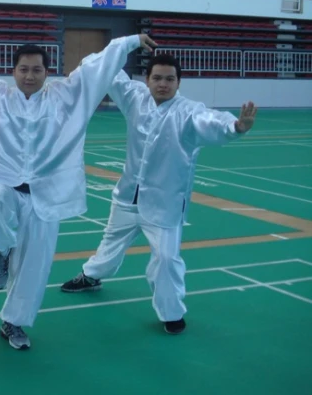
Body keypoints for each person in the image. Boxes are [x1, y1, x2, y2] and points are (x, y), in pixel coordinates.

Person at [0, 32, 157, 350]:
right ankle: (0, 251)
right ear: (13, 71)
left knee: (36, 265)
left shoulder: (66, 97)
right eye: (24, 69)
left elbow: (97, 70)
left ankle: (14, 323)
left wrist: (129, 41)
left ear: (47, 73)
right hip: (5, 185)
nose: (30, 76)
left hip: (45, 195)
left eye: (37, 70)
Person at [60, 54, 257, 334]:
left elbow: (212, 121)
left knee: (166, 259)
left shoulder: (189, 112)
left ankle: (172, 312)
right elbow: (112, 74)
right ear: (147, 80)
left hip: (165, 205)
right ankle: (91, 276)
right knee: (111, 242)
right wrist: (87, 63)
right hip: (128, 196)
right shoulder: (135, 98)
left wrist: (236, 127)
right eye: (157, 78)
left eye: (169, 79)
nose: (163, 84)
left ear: (178, 82)